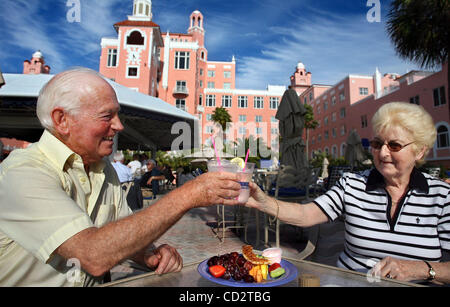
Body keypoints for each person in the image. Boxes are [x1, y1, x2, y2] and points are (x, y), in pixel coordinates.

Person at [0, 68, 241, 286]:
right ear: (62, 120)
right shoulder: (22, 173)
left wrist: (147, 255)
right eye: (107, 116)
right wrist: (190, 194)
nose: (119, 126)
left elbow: (119, 237)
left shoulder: (104, 170)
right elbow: (92, 255)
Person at [246, 102, 450, 285]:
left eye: (394, 145)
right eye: (377, 144)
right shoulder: (353, 184)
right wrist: (264, 202)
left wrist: (421, 269)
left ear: (420, 151)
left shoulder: (442, 196)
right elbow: (307, 214)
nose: (383, 153)